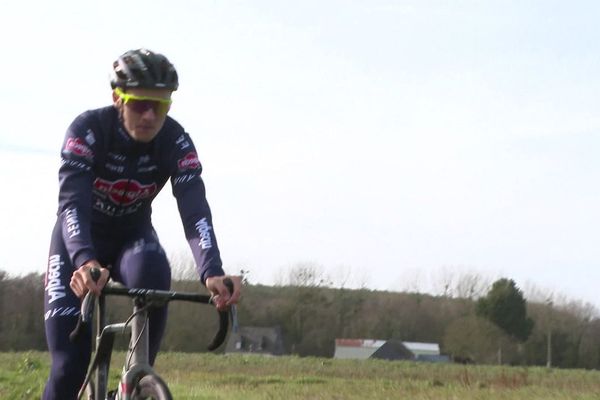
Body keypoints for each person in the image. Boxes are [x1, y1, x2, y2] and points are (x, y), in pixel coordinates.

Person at [42, 48, 241, 400]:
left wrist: (212, 270)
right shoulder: (88, 130)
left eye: (160, 106)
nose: (150, 115)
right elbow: (72, 204)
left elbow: (194, 208)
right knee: (68, 367)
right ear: (118, 99)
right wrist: (85, 260)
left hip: (132, 239)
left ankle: (134, 380)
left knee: (153, 269)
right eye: (139, 104)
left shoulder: (175, 140)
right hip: (79, 241)